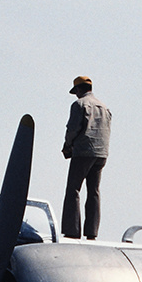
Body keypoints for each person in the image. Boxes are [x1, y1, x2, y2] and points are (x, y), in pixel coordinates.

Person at [61, 76, 111, 239]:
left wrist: (67, 145)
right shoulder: (104, 107)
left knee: (73, 190)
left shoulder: (79, 104)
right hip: (101, 153)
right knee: (94, 191)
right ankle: (92, 232)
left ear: (79, 90)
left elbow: (73, 129)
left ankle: (72, 231)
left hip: (83, 152)